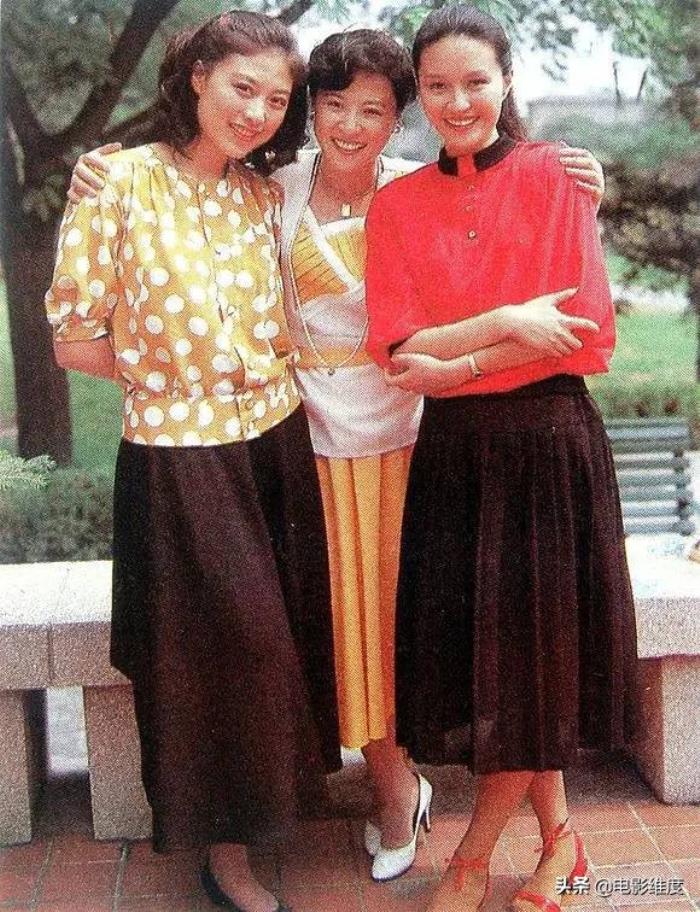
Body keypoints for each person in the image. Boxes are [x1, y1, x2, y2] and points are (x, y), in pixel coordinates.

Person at [67, 24, 607, 889]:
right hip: (303, 438)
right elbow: (172, 225)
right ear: (311, 111)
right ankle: (392, 789)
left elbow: (511, 254)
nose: (351, 126)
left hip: (415, 433)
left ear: (398, 118)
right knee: (341, 626)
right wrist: (97, 171)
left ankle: (437, 800)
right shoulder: (271, 189)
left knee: (404, 625)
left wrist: (583, 191)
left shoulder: (416, 189)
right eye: (332, 105)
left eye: (374, 110)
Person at [45, 12, 341, 912]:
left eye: (275, 100)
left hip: (275, 441)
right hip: (179, 455)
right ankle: (224, 852)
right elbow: (72, 339)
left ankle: (272, 814)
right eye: (242, 88)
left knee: (279, 636)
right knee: (218, 651)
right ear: (199, 75)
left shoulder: (262, 197)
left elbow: (362, 183)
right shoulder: (118, 182)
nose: (256, 112)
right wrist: (169, 375)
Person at [364, 6, 637, 911]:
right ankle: (562, 843)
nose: (457, 103)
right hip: (455, 459)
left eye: (474, 82)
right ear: (418, 93)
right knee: (507, 663)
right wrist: (510, 324)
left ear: (506, 81)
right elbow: (397, 350)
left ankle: (471, 858)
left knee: (530, 659)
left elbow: (584, 333)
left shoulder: (557, 175)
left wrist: (461, 364)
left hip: (549, 449)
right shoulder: (397, 205)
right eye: (436, 86)